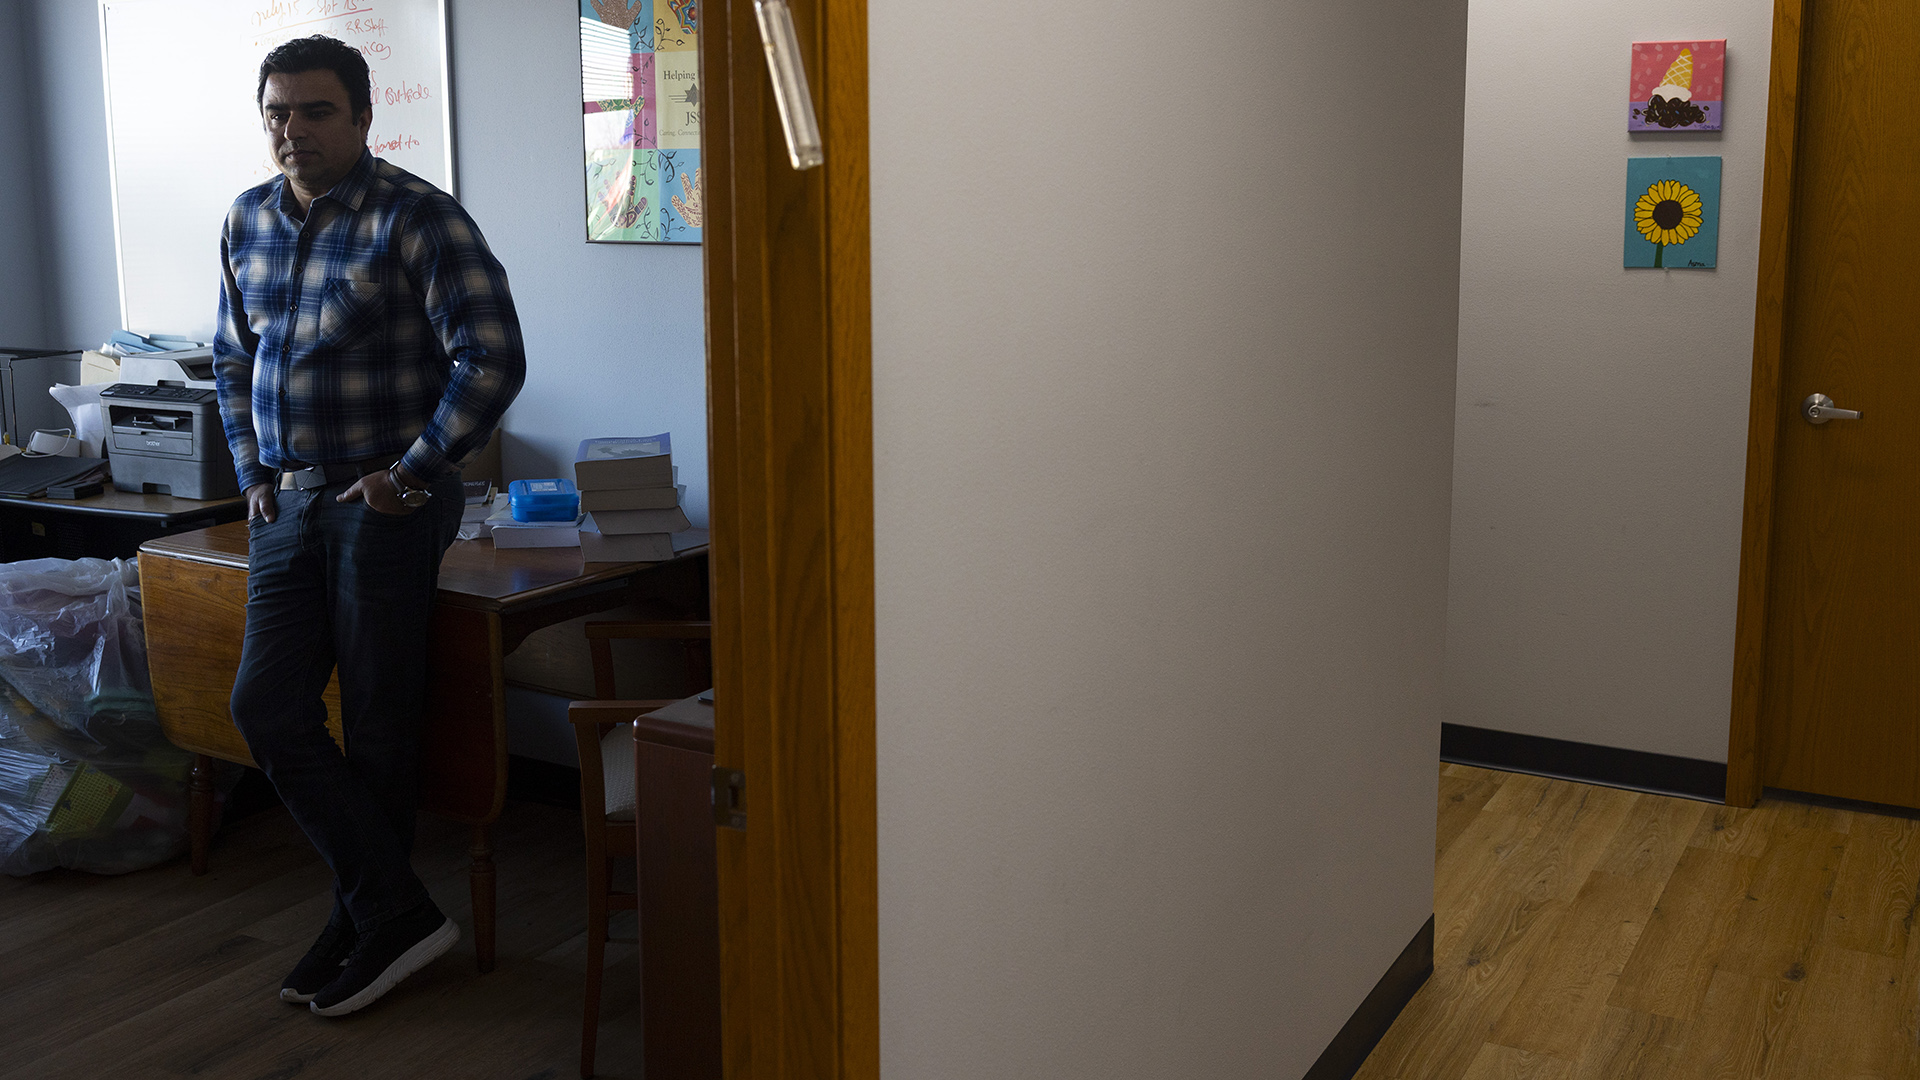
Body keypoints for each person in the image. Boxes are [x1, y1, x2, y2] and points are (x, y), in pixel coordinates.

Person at [212, 34, 526, 1017]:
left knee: (383, 724)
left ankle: (372, 921)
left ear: (360, 117)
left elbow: (493, 358)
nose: (291, 130)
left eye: (314, 112)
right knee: (265, 707)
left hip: (380, 504)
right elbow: (231, 357)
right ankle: (388, 908)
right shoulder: (249, 218)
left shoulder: (416, 217)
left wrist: (413, 473)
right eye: (276, 111)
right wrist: (254, 471)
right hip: (285, 504)